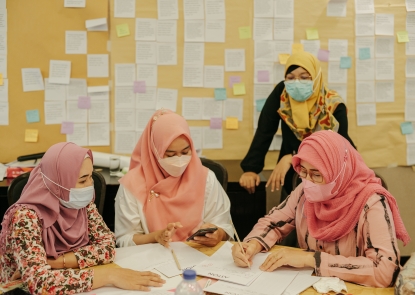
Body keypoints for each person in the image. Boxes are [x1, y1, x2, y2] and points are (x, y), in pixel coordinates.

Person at [232, 130, 410, 288]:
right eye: (303, 171)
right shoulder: (304, 192)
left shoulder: (372, 202)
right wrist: (252, 244)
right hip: (311, 286)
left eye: (317, 174)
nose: (308, 181)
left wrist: (313, 259)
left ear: (339, 171)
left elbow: (385, 270)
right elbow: (273, 222)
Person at [0, 143, 165, 295]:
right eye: (82, 180)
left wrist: (55, 262)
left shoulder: (81, 204)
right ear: (58, 182)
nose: (90, 185)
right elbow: (39, 283)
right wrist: (108, 275)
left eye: (90, 177)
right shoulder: (24, 217)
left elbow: (107, 247)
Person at [239, 51, 355, 199]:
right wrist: (251, 169)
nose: (297, 82)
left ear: (316, 77)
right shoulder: (283, 94)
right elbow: (265, 130)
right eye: (290, 78)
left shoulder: (333, 105)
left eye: (305, 77)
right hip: (292, 176)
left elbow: (337, 149)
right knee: (290, 216)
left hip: (329, 176)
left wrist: (293, 157)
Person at [115, 109, 233, 248]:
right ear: (154, 150)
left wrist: (218, 234)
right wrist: (155, 237)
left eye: (185, 152)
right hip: (151, 261)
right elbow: (124, 240)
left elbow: (224, 226)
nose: (179, 160)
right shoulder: (132, 184)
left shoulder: (206, 178)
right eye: (170, 155)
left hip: (199, 257)